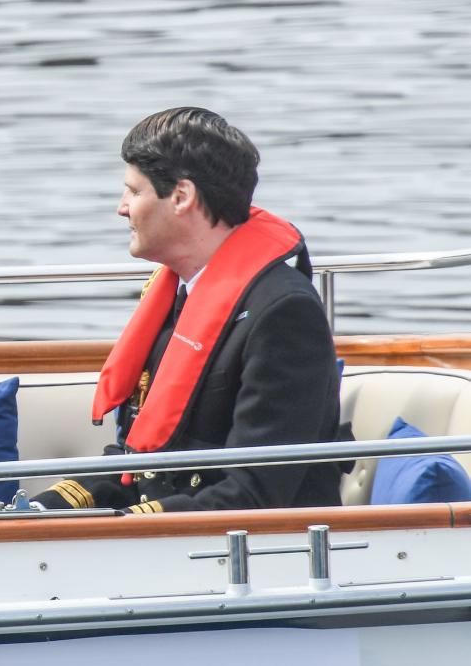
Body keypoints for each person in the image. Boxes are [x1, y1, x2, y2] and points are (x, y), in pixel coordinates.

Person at [36, 107, 343, 514]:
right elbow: (138, 462)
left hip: (249, 558)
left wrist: (122, 527)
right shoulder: (176, 294)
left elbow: (255, 491)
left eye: (134, 191)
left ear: (181, 197)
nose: (122, 207)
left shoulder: (284, 313)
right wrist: (44, 509)